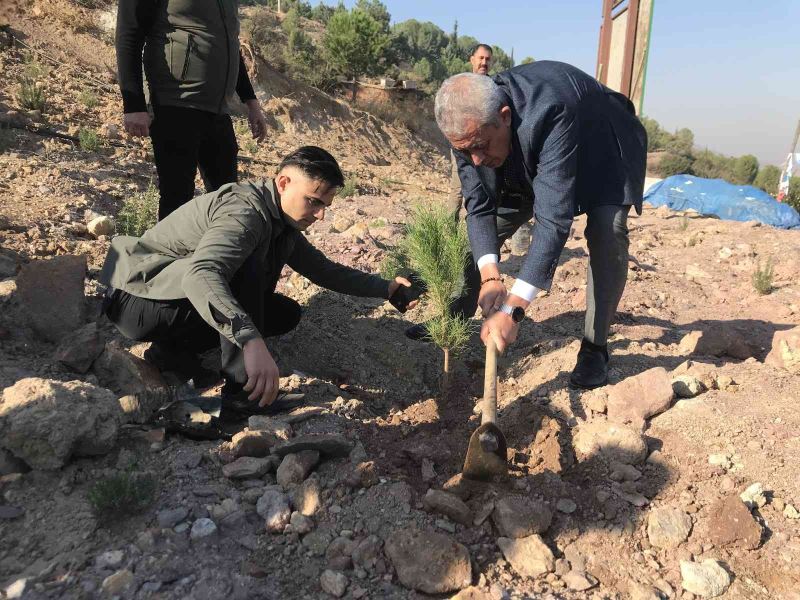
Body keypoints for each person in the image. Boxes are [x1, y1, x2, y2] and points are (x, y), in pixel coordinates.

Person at [99, 146, 418, 409]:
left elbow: (322, 270)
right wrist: (250, 340)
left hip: (167, 298)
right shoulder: (245, 212)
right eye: (314, 201)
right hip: (134, 298)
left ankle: (170, 355)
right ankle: (242, 399)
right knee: (243, 275)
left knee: (283, 314)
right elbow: (202, 276)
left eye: (326, 206)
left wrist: (385, 287)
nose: (320, 214)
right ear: (283, 183)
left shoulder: (283, 219)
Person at [430, 62, 647, 389]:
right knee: (476, 244)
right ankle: (454, 322)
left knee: (607, 230)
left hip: (603, 146)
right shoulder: (468, 127)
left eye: (480, 147)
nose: (474, 160)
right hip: (525, 153)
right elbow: (478, 207)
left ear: (504, 116)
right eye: (465, 150)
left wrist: (513, 308)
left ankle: (595, 347)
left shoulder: (549, 109)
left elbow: (553, 218)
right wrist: (490, 278)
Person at [116, 0, 269, 220]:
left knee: (227, 196)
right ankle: (168, 254)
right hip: (175, 102)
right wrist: (134, 106)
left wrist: (251, 101)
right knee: (177, 197)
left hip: (217, 109)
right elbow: (128, 34)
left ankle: (218, 253)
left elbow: (229, 44)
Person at [445, 44, 494, 220]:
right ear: (472, 60)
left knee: (490, 190)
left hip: (488, 150)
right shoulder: (460, 85)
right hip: (462, 148)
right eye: (480, 58)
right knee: (457, 190)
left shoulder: (496, 86)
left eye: (487, 59)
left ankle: (486, 236)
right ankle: (448, 235)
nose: (484, 62)